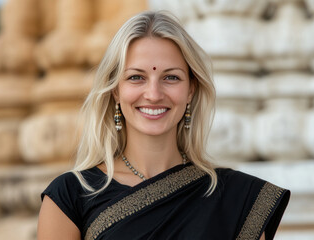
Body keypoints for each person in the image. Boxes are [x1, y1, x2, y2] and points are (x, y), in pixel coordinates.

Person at [37, 11, 290, 240]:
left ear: (191, 89)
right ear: (115, 90)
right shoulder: (71, 196)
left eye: (171, 77)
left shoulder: (237, 199)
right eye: (137, 77)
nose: (154, 94)